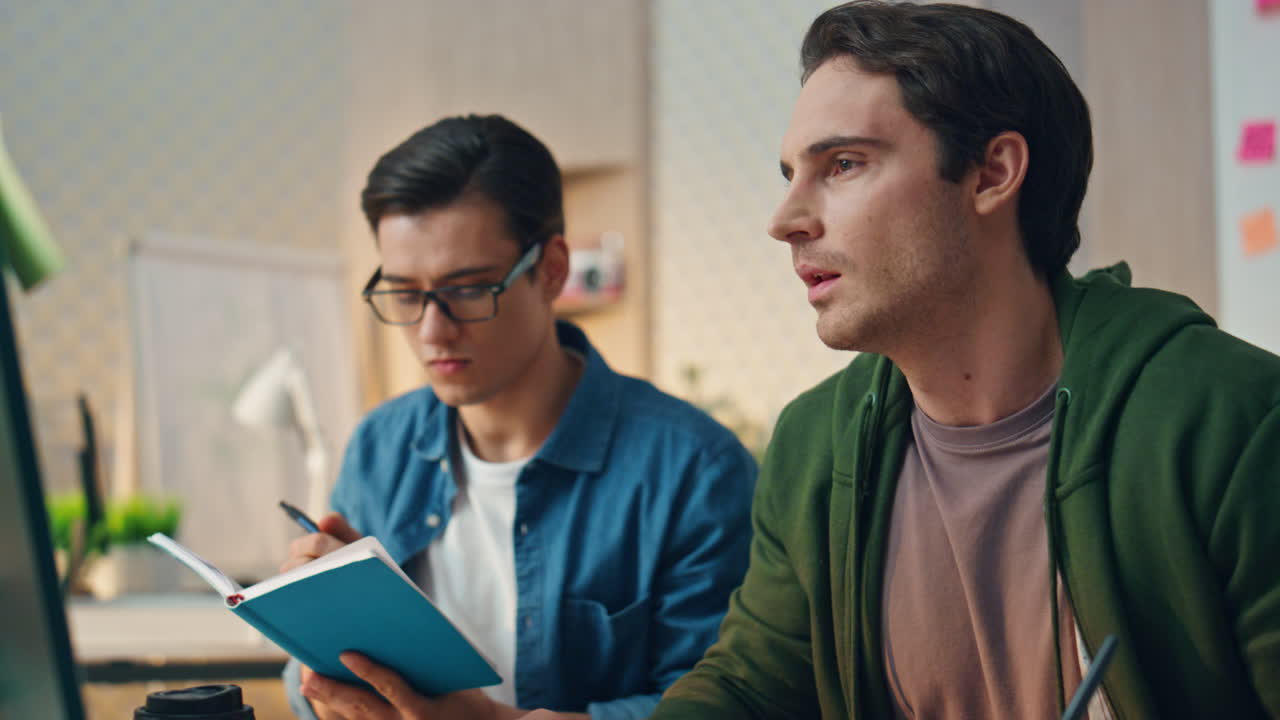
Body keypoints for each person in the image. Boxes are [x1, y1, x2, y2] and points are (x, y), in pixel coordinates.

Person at [650, 2, 1280, 719]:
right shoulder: (815, 446)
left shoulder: (1234, 421)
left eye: (844, 164)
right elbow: (749, 689)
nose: (785, 220)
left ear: (991, 173)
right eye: (792, 172)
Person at [281, 114, 756, 720]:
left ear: (551, 270)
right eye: (404, 293)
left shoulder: (693, 471)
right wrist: (316, 646)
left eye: (470, 289)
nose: (432, 331)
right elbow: (305, 693)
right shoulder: (381, 447)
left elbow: (729, 706)